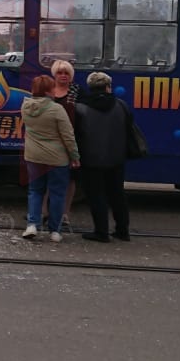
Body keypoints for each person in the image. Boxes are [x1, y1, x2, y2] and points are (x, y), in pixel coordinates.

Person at [74, 71, 132, 242]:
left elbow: (77, 134)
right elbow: (128, 129)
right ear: (108, 87)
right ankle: (122, 231)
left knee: (96, 195)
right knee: (117, 194)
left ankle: (102, 232)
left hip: (91, 159)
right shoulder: (121, 105)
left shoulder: (80, 107)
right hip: (116, 158)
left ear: (90, 88)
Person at [21, 74, 80, 243]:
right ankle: (54, 231)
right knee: (57, 194)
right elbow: (68, 136)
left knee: (35, 191)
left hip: (33, 157)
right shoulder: (57, 109)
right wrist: (75, 156)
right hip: (56, 158)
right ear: (48, 90)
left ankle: (32, 224)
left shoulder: (25, 106)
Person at [48, 59, 83, 229]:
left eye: (66, 73)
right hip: (48, 140)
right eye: (60, 72)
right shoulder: (47, 92)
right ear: (54, 74)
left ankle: (64, 214)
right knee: (46, 177)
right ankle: (43, 213)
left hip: (70, 140)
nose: (63, 76)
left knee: (69, 179)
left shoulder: (77, 93)